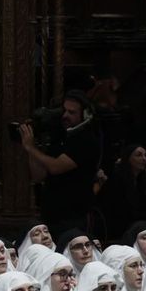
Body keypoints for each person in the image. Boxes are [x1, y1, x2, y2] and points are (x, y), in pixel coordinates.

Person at [21, 91, 100, 226]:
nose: (65, 116)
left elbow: (55, 167)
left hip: (74, 215)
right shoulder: (60, 138)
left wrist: (30, 148)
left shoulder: (86, 140)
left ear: (85, 115)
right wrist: (32, 147)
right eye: (64, 111)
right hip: (50, 213)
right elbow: (38, 176)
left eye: (72, 112)